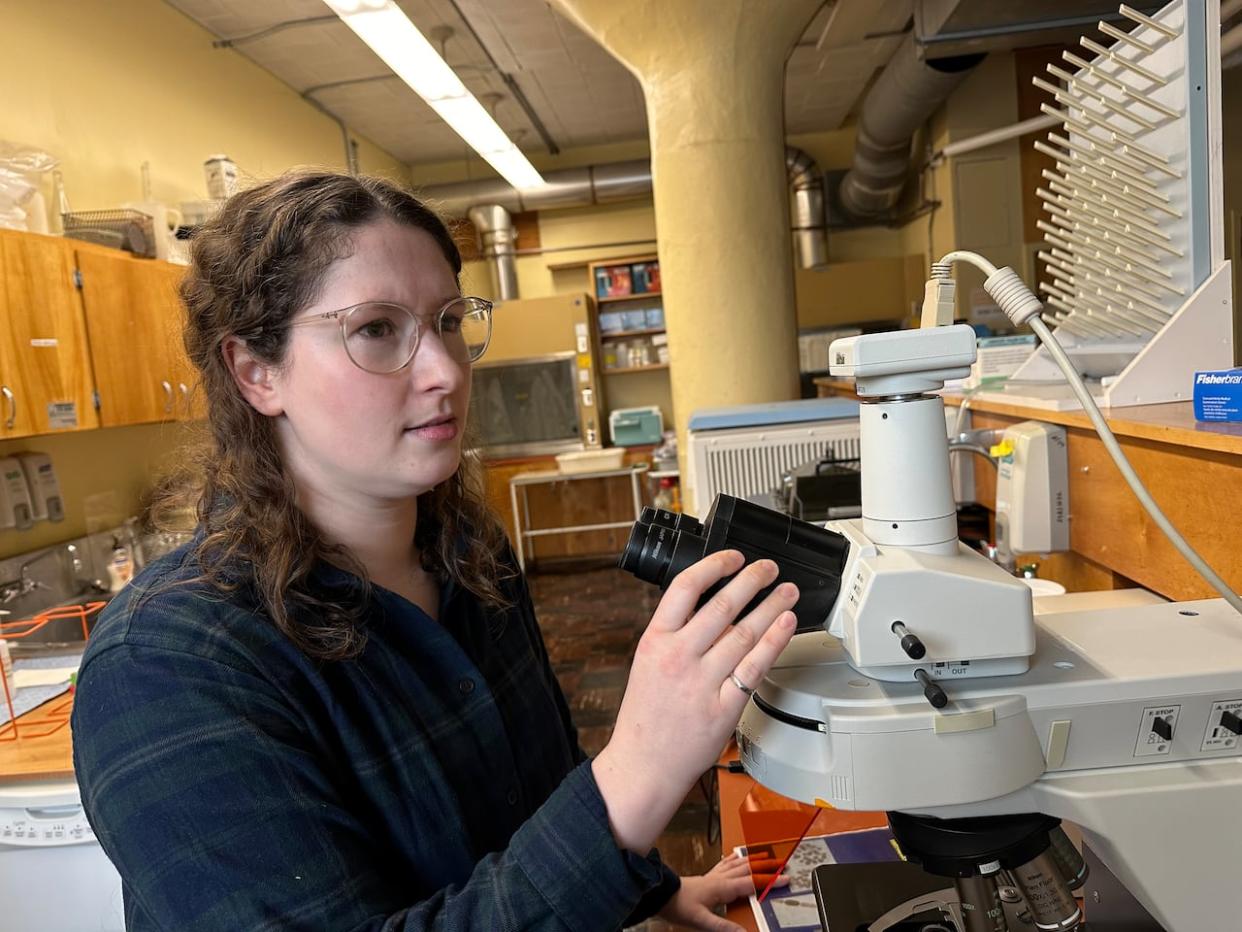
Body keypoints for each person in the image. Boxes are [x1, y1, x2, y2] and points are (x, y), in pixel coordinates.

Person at [72, 170, 799, 931]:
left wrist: (646, 889)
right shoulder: (166, 667)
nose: (446, 371)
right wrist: (641, 768)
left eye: (450, 321)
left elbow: (540, 797)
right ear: (257, 373)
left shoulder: (466, 549)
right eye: (377, 329)